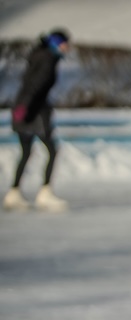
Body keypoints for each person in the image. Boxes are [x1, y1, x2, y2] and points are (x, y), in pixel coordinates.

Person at [5, 28, 70, 213]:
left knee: (26, 152)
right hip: (34, 112)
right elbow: (35, 86)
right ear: (57, 43)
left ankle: (14, 192)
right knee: (52, 150)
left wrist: (21, 107)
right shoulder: (48, 59)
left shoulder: (39, 55)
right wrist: (26, 108)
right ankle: (45, 193)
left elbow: (28, 83)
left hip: (25, 108)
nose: (68, 47)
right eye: (65, 43)